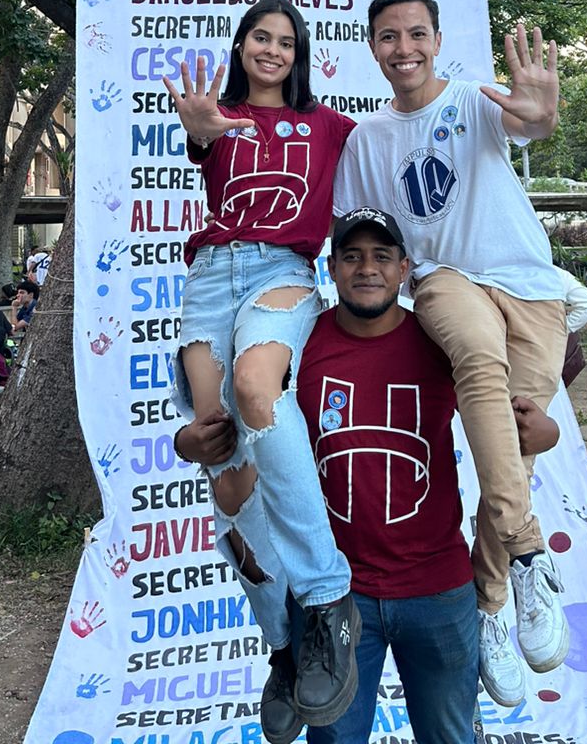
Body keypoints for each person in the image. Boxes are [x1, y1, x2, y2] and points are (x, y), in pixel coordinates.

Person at [177, 208, 561, 744]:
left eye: (382, 256)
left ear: (405, 268)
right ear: (329, 269)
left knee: (452, 736)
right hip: (336, 598)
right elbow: (233, 418)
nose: (367, 269)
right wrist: (185, 442)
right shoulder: (296, 343)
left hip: (439, 588)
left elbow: (516, 403)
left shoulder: (443, 339)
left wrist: (547, 433)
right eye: (351, 257)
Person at [333, 0, 568, 707]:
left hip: (531, 286)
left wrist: (542, 112)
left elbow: (535, 123)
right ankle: (528, 551)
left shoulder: (475, 102)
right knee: (475, 358)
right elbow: (353, 234)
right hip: (445, 279)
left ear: (436, 40)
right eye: (388, 37)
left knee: (518, 441)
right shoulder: (367, 139)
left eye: (415, 35)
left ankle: (491, 602)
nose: (403, 49)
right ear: (372, 47)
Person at [162, 0, 360, 731]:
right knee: (229, 478)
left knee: (257, 388)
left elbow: (396, 152)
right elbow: (200, 135)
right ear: (242, 46)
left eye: (284, 41)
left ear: (299, 52)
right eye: (260, 39)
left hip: (282, 270)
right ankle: (282, 646)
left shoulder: (330, 125)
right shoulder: (214, 117)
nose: (272, 50)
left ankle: (328, 597)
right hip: (210, 276)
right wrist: (198, 132)